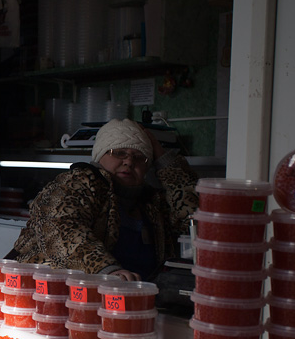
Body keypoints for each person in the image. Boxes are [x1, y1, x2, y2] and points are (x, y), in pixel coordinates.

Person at [11, 118, 198, 281]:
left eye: (140, 157)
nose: (129, 162)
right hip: (59, 296)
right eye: (118, 153)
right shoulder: (77, 183)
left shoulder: (152, 203)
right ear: (100, 156)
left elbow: (193, 219)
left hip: (133, 301)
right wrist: (105, 270)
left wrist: (164, 160)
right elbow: (60, 227)